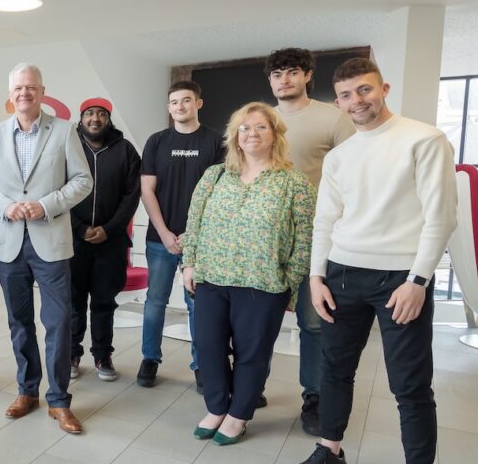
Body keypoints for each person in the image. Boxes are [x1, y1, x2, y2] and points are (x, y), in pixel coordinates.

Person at [287, 58, 457, 464]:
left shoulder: (423, 139)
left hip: (399, 278)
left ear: (383, 88)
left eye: (364, 90)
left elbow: (441, 217)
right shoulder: (340, 156)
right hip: (342, 275)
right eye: (346, 94)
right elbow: (326, 219)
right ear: (338, 101)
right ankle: (330, 450)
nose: (356, 101)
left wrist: (418, 280)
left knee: (409, 384)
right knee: (334, 370)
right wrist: (316, 276)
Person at [182, 102, 314, 445]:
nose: (251, 133)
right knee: (208, 346)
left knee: (251, 354)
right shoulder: (214, 176)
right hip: (212, 278)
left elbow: (305, 240)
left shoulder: (295, 183)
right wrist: (189, 264)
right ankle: (216, 407)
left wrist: (291, 285)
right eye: (244, 128)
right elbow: (194, 222)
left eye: (260, 127)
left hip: (264, 284)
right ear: (235, 136)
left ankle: (238, 414)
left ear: (275, 135)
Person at [0, 63, 93, 434]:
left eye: (31, 87)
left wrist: (46, 205)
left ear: (42, 92)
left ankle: (59, 400)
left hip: (51, 241)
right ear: (10, 95)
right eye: (18, 88)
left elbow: (82, 180)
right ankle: (27, 391)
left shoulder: (64, 131)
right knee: (19, 323)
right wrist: (6, 206)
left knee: (58, 322)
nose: (24, 93)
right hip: (10, 244)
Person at [266, 48, 355, 436]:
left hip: (315, 238)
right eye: (277, 74)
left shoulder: (332, 118)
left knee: (314, 323)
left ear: (306, 75)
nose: (284, 79)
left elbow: (354, 176)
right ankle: (250, 387)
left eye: (291, 72)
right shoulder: (262, 119)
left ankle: (315, 397)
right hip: (266, 239)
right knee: (257, 321)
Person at [137, 81, 224, 389]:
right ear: (169, 107)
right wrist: (164, 233)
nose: (180, 106)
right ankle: (150, 358)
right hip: (159, 238)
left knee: (197, 305)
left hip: (199, 242)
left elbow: (219, 192)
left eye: (186, 100)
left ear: (198, 103)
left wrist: (193, 234)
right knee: (155, 301)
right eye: (174, 102)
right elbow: (147, 190)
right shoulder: (157, 141)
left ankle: (201, 365)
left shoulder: (217, 141)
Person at [69, 97, 140, 382]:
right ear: (81, 118)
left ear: (109, 119)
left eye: (101, 114)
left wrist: (109, 229)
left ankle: (102, 355)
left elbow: (132, 195)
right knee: (73, 301)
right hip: (73, 241)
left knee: (103, 302)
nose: (95, 119)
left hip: (111, 242)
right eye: (89, 113)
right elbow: (55, 190)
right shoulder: (68, 146)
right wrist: (79, 228)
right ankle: (71, 353)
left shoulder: (125, 150)